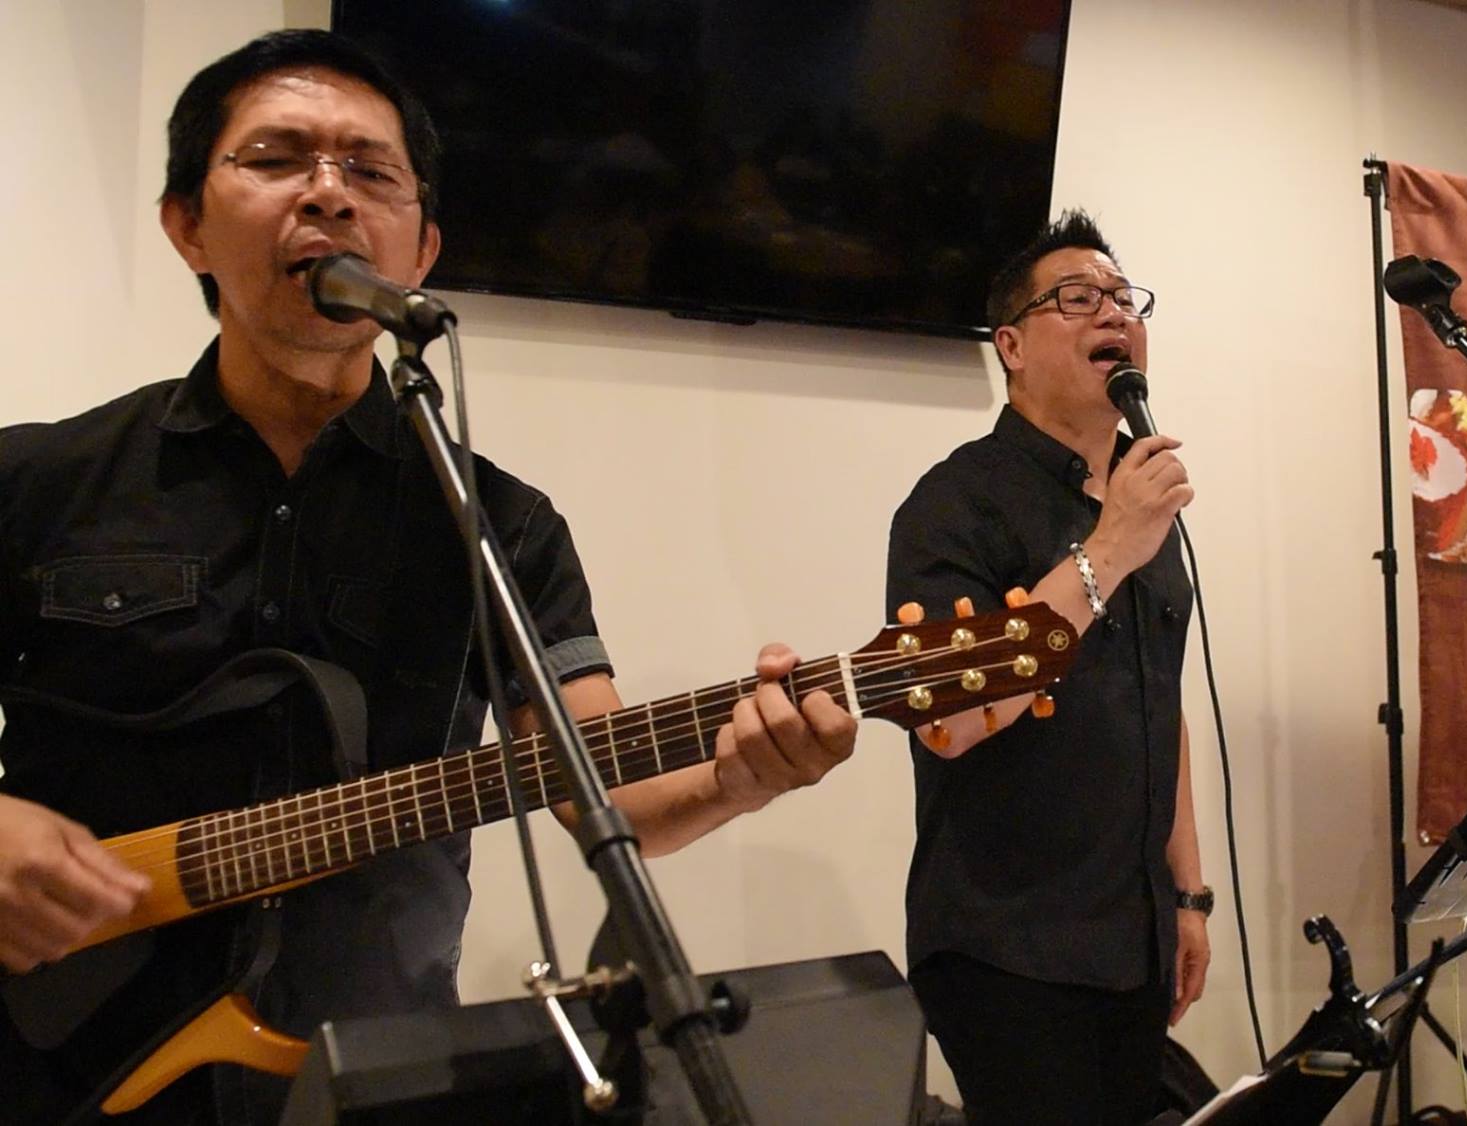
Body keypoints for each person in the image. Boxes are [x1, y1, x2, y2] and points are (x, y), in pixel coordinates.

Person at [0, 30, 856, 1125]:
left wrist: (744, 777)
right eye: (276, 158)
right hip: (51, 1049)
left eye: (371, 171)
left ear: (421, 252)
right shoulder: (38, 479)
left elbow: (604, 788)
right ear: (186, 225)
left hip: (368, 1064)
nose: (329, 194)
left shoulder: (501, 525)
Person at [885, 210, 1209, 1124]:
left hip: (1135, 938)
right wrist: (1108, 549)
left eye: (1123, 298)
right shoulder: (956, 501)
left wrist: (1188, 895)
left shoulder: (1140, 499)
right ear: (1012, 345)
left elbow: (1160, 700)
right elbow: (947, 717)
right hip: (1006, 944)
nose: (1112, 312)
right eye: (1076, 298)